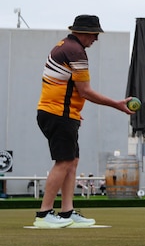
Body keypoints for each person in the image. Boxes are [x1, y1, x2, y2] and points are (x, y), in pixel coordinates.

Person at [34, 14, 133, 228]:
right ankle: (43, 214)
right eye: (94, 34)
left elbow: (66, 87)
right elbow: (85, 91)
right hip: (58, 113)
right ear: (84, 32)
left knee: (72, 161)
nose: (96, 39)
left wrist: (74, 111)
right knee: (63, 162)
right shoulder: (75, 51)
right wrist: (117, 104)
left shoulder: (66, 46)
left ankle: (67, 212)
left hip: (61, 113)